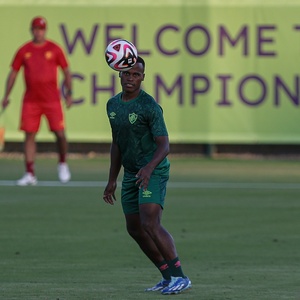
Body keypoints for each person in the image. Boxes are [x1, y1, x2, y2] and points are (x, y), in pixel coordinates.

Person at [103, 56, 191, 295]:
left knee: (150, 223)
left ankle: (180, 277)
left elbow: (164, 145)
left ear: (143, 77)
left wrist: (150, 168)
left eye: (136, 74)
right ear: (119, 74)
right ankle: (167, 276)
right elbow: (117, 144)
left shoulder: (149, 106)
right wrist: (112, 179)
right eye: (127, 74)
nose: (131, 78)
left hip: (153, 169)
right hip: (132, 172)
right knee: (134, 228)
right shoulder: (112, 105)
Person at [1, 16, 72, 186]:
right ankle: (30, 173)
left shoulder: (54, 49)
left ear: (45, 30)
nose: (38, 32)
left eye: (41, 29)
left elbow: (66, 71)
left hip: (51, 99)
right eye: (35, 29)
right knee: (29, 135)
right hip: (31, 100)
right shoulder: (24, 50)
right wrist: (6, 96)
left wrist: (69, 93)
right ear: (31, 30)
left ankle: (62, 163)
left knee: (59, 134)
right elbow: (13, 73)